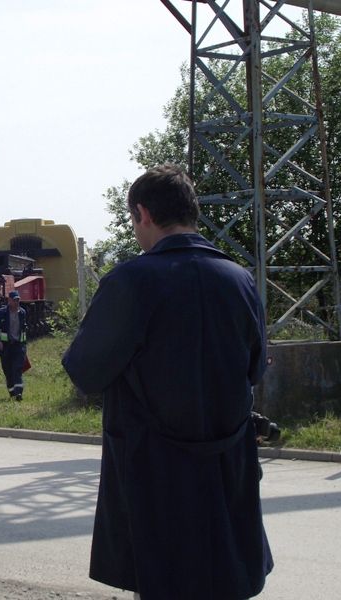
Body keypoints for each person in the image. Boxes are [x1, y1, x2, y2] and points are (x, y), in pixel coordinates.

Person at [62, 164, 272, 600]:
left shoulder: (131, 281)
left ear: (142, 213)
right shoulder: (240, 280)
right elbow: (255, 369)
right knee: (226, 580)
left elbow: (85, 371)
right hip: (225, 471)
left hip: (155, 477)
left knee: (163, 582)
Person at [0, 290, 27, 401]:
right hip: (5, 347)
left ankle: (19, 393)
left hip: (18, 346)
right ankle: (12, 393)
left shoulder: (22, 313)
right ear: (9, 300)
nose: (17, 302)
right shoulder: (1, 313)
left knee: (17, 369)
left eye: (18, 300)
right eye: (14, 300)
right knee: (8, 370)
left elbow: (24, 330)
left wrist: (24, 346)